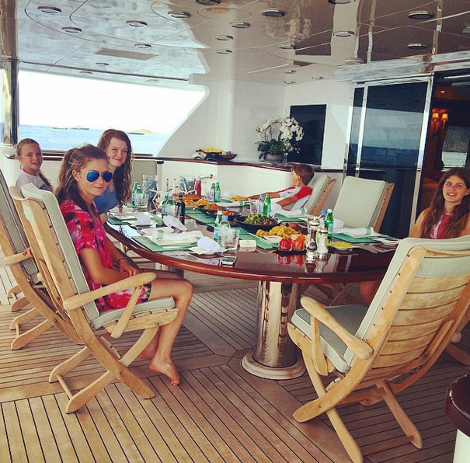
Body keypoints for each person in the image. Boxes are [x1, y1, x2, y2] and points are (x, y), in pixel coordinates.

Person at [56, 144, 193, 386]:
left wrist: (121, 260)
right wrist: (131, 279)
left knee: (174, 279)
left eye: (106, 175)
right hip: (101, 294)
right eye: (93, 175)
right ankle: (161, 357)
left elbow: (101, 238)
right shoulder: (80, 216)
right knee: (184, 289)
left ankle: (149, 348)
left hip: (99, 285)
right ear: (76, 174)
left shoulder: (79, 203)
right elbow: (98, 274)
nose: (101, 181)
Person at [360, 167, 470, 305]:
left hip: (438, 269)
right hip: (418, 262)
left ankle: (397, 315)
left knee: (388, 291)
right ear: (442, 187)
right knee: (368, 285)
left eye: (459, 185)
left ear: (467, 191)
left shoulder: (467, 219)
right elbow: (412, 241)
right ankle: (385, 316)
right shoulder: (428, 214)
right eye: (448, 184)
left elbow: (458, 250)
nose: (452, 188)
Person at [94, 129, 133, 220]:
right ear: (104, 150)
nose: (119, 155)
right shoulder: (94, 177)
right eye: (114, 149)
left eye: (124, 151)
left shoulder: (116, 178)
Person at [249, 163, 315, 210]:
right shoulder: (292, 188)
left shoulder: (306, 189)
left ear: (298, 177)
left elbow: (290, 200)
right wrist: (249, 198)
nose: (291, 177)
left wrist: (269, 207)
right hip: (280, 211)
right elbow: (271, 194)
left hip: (288, 216)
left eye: (292, 174)